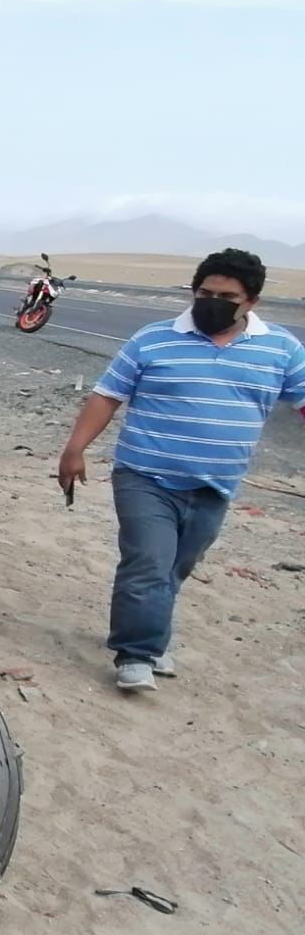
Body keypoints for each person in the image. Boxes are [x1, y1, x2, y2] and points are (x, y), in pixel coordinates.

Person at [58, 248, 305, 692]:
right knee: (148, 562)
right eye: (204, 293)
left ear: (252, 302)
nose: (212, 302)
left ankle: (149, 638)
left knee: (175, 568)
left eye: (227, 297)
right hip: (144, 474)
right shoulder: (153, 339)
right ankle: (136, 654)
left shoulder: (281, 349)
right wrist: (75, 449)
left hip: (216, 484)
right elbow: (107, 396)